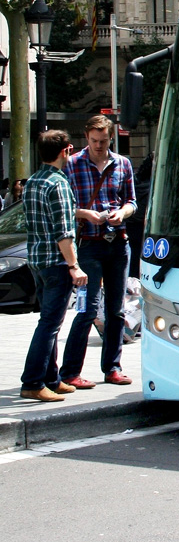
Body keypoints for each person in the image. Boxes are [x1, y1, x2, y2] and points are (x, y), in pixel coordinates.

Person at [60, 115, 137, 388]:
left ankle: (112, 368)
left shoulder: (123, 164)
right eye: (94, 141)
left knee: (116, 310)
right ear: (86, 138)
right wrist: (86, 214)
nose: (98, 146)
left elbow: (132, 202)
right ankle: (69, 372)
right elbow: (63, 207)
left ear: (111, 137)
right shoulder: (72, 165)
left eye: (103, 141)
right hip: (88, 245)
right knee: (86, 309)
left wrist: (122, 212)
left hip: (118, 243)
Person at [19, 130, 89, 402]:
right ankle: (33, 381)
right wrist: (74, 266)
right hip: (56, 263)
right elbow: (64, 232)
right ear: (67, 150)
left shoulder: (32, 182)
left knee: (49, 322)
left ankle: (51, 378)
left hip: (36, 261)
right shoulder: (57, 184)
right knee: (49, 324)